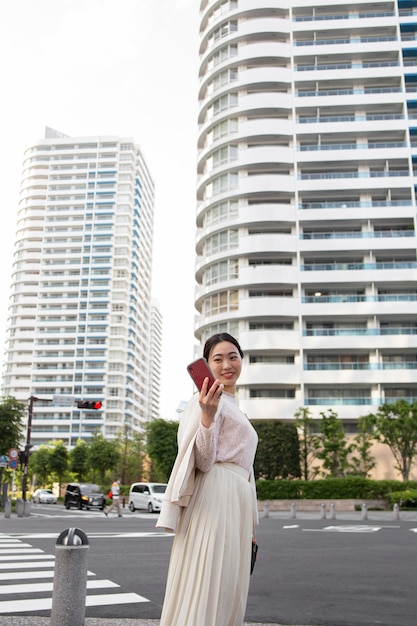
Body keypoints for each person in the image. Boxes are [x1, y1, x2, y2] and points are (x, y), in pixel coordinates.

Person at [156, 332, 258, 626]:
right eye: (218, 359)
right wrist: (207, 417)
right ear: (206, 365)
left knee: (227, 584)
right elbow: (202, 460)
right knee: (209, 579)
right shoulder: (202, 402)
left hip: (237, 500)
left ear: (241, 361)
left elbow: (247, 471)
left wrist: (251, 528)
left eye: (233, 357)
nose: (227, 364)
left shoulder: (236, 406)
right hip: (216, 494)